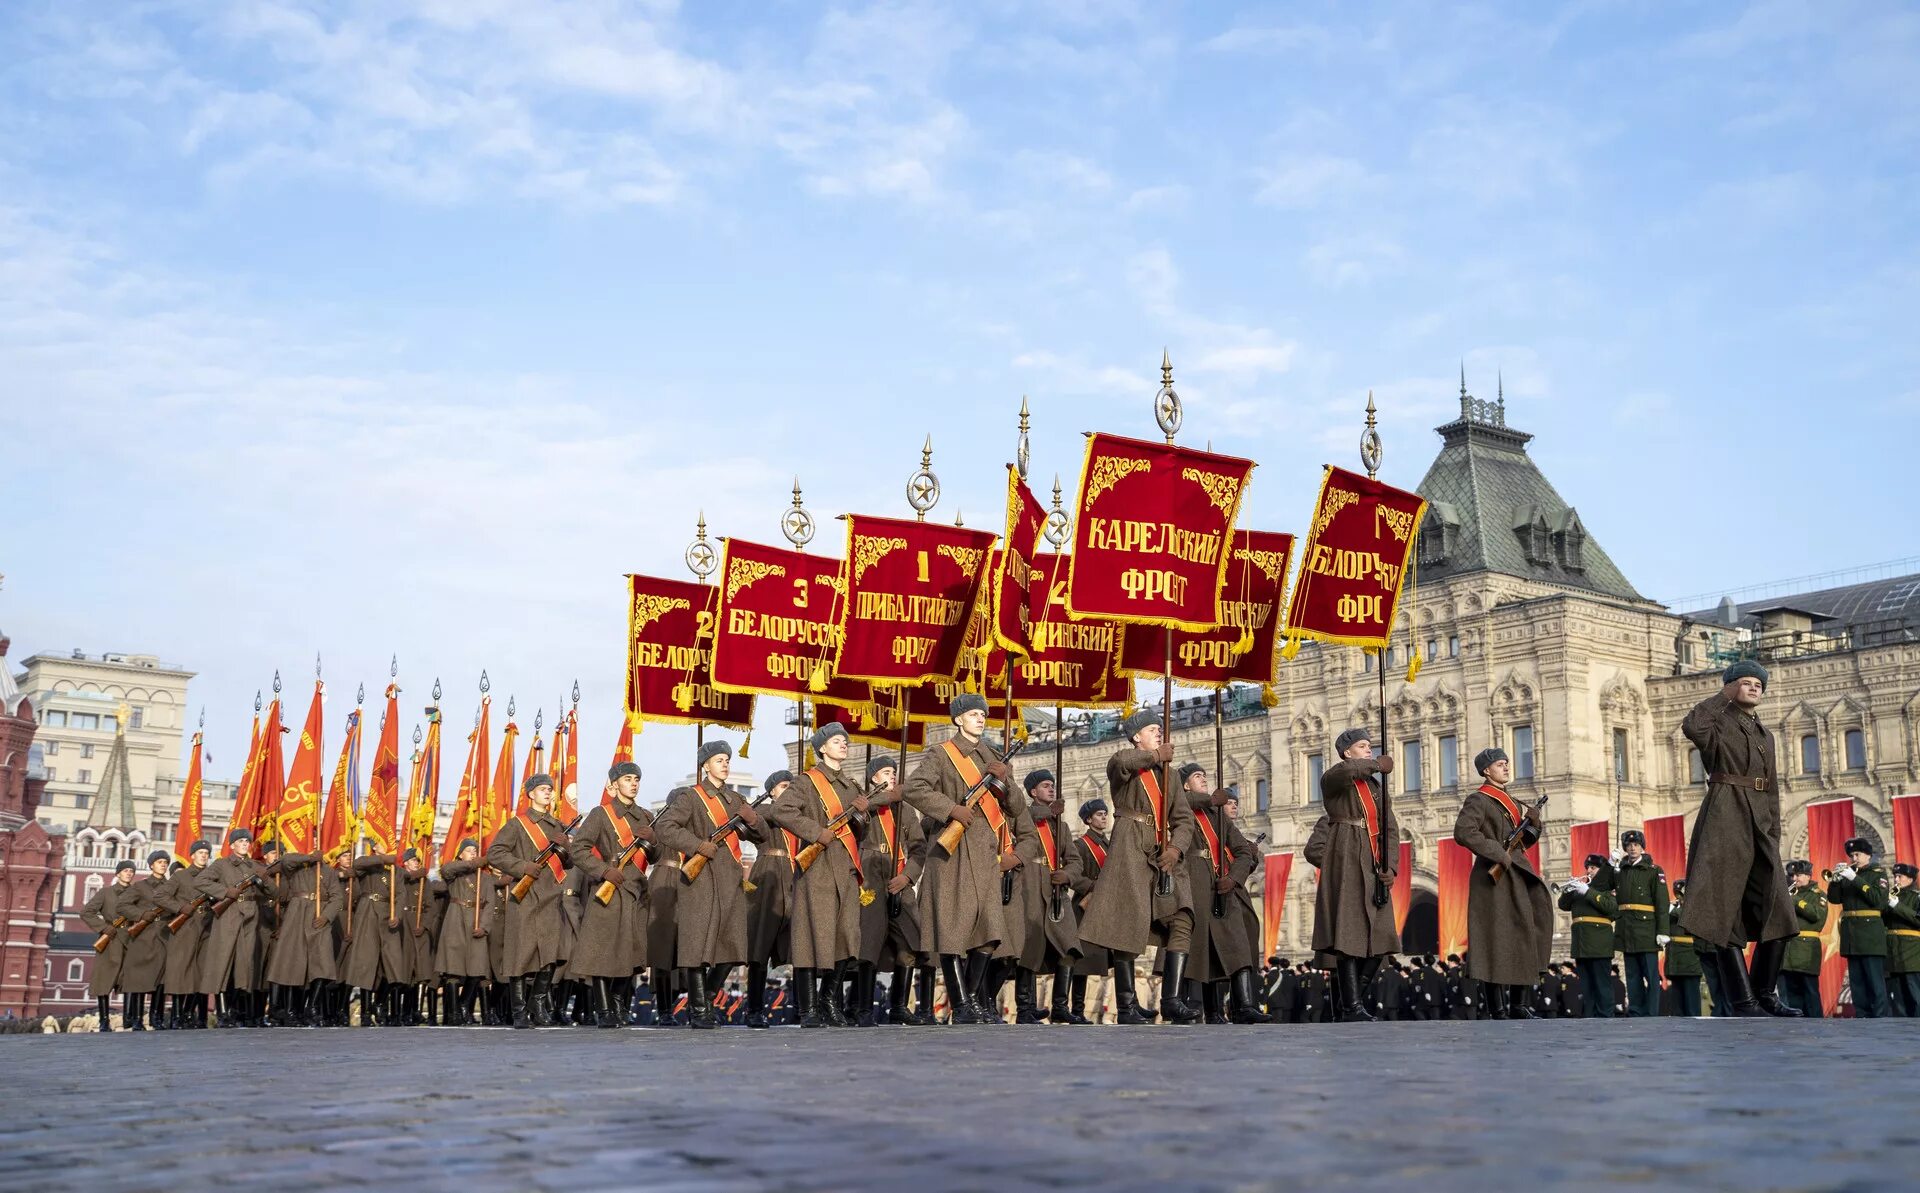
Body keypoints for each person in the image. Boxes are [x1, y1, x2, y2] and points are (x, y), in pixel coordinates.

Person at [901, 693, 1032, 1025]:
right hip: (952, 853)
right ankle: (962, 1005)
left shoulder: (993, 756)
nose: (980, 719)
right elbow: (914, 787)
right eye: (973, 714)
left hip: (985, 853)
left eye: (983, 714)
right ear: (958, 719)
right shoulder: (942, 754)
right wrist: (950, 809)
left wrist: (1005, 781)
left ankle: (969, 999)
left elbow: (1016, 807)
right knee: (950, 929)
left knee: (989, 932)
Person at [1678, 660, 1799, 1016]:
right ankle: (1744, 1001)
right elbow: (1692, 726)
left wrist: (1774, 830)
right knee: (1723, 911)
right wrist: (1722, 696)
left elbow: (1771, 788)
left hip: (1758, 819)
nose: (1754, 688)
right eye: (1746, 683)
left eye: (1759, 684)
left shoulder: (1765, 734)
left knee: (1779, 908)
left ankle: (1765, 993)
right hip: (1725, 815)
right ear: (1731, 686)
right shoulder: (1716, 721)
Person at [1077, 707, 1199, 1025]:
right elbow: (1122, 763)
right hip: (1129, 847)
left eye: (1160, 729)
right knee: (1127, 926)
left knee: (1182, 918)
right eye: (1152, 729)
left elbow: (1183, 820)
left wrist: (1176, 848)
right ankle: (1127, 1005)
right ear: (1136, 737)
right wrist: (1156, 755)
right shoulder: (1125, 763)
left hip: (1162, 854)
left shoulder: (1170, 774)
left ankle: (1171, 999)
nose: (1159, 732)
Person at [655, 740, 768, 1028]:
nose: (725, 764)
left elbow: (762, 835)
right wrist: (696, 846)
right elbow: (665, 827)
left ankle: (706, 996)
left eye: (727, 760)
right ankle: (699, 1010)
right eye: (719, 760)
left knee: (732, 945)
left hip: (730, 878)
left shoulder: (734, 799)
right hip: (701, 878)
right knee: (697, 946)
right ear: (705, 766)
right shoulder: (691, 798)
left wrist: (753, 818)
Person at [775, 722, 869, 1028]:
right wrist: (816, 833)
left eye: (845, 741)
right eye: (837, 741)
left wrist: (861, 814)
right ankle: (809, 1008)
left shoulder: (852, 786)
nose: (844, 744)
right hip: (817, 870)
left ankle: (829, 1001)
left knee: (845, 937)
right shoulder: (806, 783)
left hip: (845, 869)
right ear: (822, 748)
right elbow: (781, 811)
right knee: (809, 939)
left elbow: (862, 832)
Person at [1305, 728, 1400, 1023]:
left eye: (1370, 747)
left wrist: (1391, 866)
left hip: (1372, 862)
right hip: (1347, 855)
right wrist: (1377, 765)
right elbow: (1343, 774)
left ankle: (1352, 1001)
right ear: (1347, 752)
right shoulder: (1335, 779)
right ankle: (1352, 1006)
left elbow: (1390, 830)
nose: (1369, 750)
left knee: (1382, 936)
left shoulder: (1375, 789)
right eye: (1362, 746)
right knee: (1347, 935)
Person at [1451, 746, 1552, 1021]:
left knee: (1524, 935)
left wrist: (1534, 824)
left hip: (1517, 873)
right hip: (1493, 878)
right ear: (1486, 770)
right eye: (1500, 764)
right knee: (1493, 940)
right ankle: (1498, 1009)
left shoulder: (1513, 801)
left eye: (1507, 763)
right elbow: (1463, 832)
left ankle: (1519, 1005)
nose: (1506, 767)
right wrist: (1497, 853)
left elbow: (1523, 842)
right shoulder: (1479, 800)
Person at [568, 761, 658, 1029]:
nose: (634, 783)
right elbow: (579, 850)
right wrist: (603, 871)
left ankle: (619, 1007)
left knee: (630, 953)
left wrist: (653, 841)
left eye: (637, 778)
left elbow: (657, 856)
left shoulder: (645, 816)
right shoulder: (601, 814)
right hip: (608, 890)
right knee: (603, 953)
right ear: (614, 784)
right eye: (628, 778)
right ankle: (604, 1010)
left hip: (635, 891)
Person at [486, 773, 578, 1028]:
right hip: (525, 897)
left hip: (550, 896)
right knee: (521, 954)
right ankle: (518, 1012)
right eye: (542, 789)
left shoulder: (558, 825)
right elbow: (494, 853)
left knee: (549, 955)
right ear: (530, 794)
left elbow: (568, 863)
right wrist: (522, 866)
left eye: (550, 789)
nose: (548, 793)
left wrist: (565, 846)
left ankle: (538, 1007)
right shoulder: (517, 824)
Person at [1180, 763, 1267, 1023]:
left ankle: (1244, 1006)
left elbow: (1241, 851)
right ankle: (1208, 1011)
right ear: (1185, 785)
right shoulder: (1181, 809)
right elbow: (1175, 800)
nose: (1204, 780)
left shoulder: (1218, 818)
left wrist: (1234, 877)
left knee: (1238, 947)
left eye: (1206, 776)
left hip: (1223, 889)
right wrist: (1211, 798)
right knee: (1202, 953)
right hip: (1195, 886)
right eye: (1198, 777)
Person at [858, 754, 931, 1026]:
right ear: (874, 778)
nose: (892, 777)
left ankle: (899, 1006)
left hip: (900, 878)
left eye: (894, 772)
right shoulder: (866, 803)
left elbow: (919, 847)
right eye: (886, 772)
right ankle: (863, 1008)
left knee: (910, 942)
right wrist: (883, 797)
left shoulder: (906, 810)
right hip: (871, 877)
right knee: (868, 943)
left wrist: (908, 876)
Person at [1016, 769, 1088, 1025]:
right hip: (1031, 887)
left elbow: (1074, 860)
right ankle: (1024, 1008)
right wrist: (1051, 812)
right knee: (1030, 949)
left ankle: (1060, 1006)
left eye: (1053, 785)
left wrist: (1067, 875)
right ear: (1033, 791)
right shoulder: (1024, 817)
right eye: (1046, 786)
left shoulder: (1062, 826)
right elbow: (1028, 815)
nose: (1052, 789)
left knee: (1068, 946)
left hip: (1056, 891)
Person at [195, 828, 272, 1027]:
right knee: (224, 963)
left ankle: (237, 1011)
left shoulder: (255, 865)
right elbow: (200, 881)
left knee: (244, 965)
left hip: (250, 916)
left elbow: (275, 891)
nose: (245, 844)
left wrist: (264, 877)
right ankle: (222, 1012)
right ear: (232, 845)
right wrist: (225, 892)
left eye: (247, 841)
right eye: (241, 841)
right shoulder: (222, 864)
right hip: (229, 914)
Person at [269, 839, 346, 1026]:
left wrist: (327, 916)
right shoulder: (297, 867)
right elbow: (285, 860)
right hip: (297, 914)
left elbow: (337, 897)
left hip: (319, 916)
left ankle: (311, 1006)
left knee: (323, 963)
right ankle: (290, 1010)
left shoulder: (328, 871)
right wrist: (309, 858)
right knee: (292, 964)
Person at [743, 770, 796, 1029]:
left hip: (795, 879)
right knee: (759, 949)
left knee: (802, 948)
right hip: (769, 876)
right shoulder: (764, 811)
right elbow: (753, 823)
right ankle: (753, 1008)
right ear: (772, 792)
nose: (788, 790)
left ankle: (803, 1007)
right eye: (784, 786)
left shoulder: (799, 816)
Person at [1828, 837, 1891, 1018]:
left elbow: (1878, 900)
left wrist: (1855, 879)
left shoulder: (1877, 873)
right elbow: (1834, 899)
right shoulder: (1849, 874)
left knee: (1874, 980)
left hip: (1870, 935)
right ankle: (1862, 1015)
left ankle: (1879, 1017)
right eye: (1852, 855)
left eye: (1857, 854)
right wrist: (1835, 880)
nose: (1854, 858)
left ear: (1868, 855)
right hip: (1851, 935)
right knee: (1857, 981)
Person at [1612, 830, 1671, 1017]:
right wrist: (1609, 865)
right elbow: (1604, 884)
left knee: (1651, 976)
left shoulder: (1654, 870)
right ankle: (1637, 1011)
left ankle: (1652, 1012)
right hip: (1626, 930)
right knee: (1632, 976)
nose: (1632, 848)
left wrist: (1663, 930)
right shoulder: (1620, 871)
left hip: (1646, 930)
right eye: (1629, 845)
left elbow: (1662, 902)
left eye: (1636, 845)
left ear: (1642, 846)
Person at [79, 859, 143, 1030]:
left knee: (131, 980)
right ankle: (104, 1021)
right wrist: (104, 928)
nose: (129, 873)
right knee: (104, 981)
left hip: (130, 940)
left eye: (131, 871)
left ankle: (130, 1018)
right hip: (110, 941)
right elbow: (86, 912)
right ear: (118, 873)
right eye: (125, 870)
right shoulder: (106, 893)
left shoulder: (137, 893)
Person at [436, 837, 493, 1024]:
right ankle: (452, 1014)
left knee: (477, 970)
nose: (474, 853)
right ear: (460, 854)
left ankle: (463, 1005)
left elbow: (490, 904)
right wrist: (470, 864)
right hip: (456, 919)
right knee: (453, 969)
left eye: (476, 851)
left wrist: (484, 927)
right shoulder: (456, 873)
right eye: (469, 850)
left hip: (476, 922)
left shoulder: (485, 878)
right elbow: (446, 870)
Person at [159, 842, 213, 1028]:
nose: (204, 856)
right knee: (180, 973)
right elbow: (160, 896)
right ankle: (176, 1015)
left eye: (206, 853)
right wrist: (180, 908)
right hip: (185, 928)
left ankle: (190, 1014)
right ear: (192, 855)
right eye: (200, 852)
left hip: (206, 928)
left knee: (200, 973)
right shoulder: (180, 876)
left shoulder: (213, 876)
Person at [1068, 799, 1113, 1024]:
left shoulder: (1109, 845)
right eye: (1099, 814)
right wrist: (1093, 886)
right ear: (1088, 819)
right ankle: (1077, 1010)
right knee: (1081, 964)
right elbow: (1074, 876)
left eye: (1105, 814)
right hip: (1084, 907)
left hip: (1104, 906)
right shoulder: (1081, 845)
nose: (1104, 817)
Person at [120, 849, 173, 1030]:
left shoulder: (172, 885)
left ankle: (156, 1018)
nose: (163, 864)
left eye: (165, 862)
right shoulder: (140, 887)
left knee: (161, 980)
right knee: (139, 980)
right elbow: (123, 905)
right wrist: (142, 914)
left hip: (164, 936)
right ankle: (136, 1019)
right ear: (151, 865)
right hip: (144, 936)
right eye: (159, 862)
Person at [1559, 854, 1617, 1018]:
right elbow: (1563, 906)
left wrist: (1588, 892)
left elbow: (1611, 909)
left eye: (1593, 868)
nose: (1589, 871)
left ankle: (1605, 1015)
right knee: (1586, 985)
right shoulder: (1580, 890)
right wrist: (1568, 891)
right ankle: (1590, 1015)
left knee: (1602, 984)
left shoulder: (1607, 890)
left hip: (1599, 945)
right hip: (1581, 944)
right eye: (1588, 868)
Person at [1779, 861, 1826, 1018]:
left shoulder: (1817, 894)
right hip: (1789, 950)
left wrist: (1795, 900)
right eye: (1793, 875)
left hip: (1806, 950)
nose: (1795, 879)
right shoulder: (1789, 892)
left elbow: (1816, 915)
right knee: (1791, 993)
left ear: (1808, 876)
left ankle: (1816, 1022)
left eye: (1798, 875)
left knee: (1810, 991)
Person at [1664, 879, 1704, 1017]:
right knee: (1677, 1003)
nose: (1679, 897)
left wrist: (1673, 910)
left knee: (1691, 1003)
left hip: (1689, 958)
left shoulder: (1695, 906)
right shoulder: (1675, 908)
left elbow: (1688, 917)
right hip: (1675, 960)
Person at [1886, 863, 1920, 1017]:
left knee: (1915, 993)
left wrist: (1897, 906)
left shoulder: (1916, 897)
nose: (1896, 880)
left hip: (1912, 952)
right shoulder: (1891, 897)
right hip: (1893, 951)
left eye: (1900, 876)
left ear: (1911, 879)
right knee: (1897, 997)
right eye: (1895, 876)